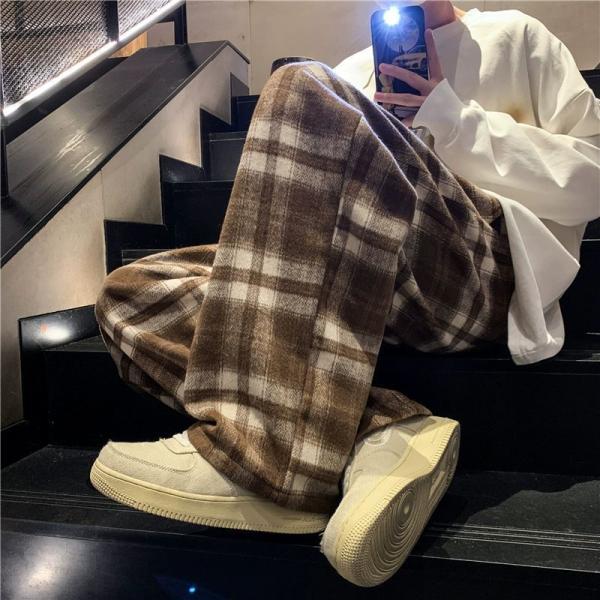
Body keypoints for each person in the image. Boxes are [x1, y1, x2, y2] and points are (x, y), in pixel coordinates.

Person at [89, 0, 600, 588]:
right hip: (363, 278)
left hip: (479, 276)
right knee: (132, 293)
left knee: (299, 83)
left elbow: (592, 178)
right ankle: (383, 432)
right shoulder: (352, 72)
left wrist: (449, 117)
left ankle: (262, 457)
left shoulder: (515, 37)